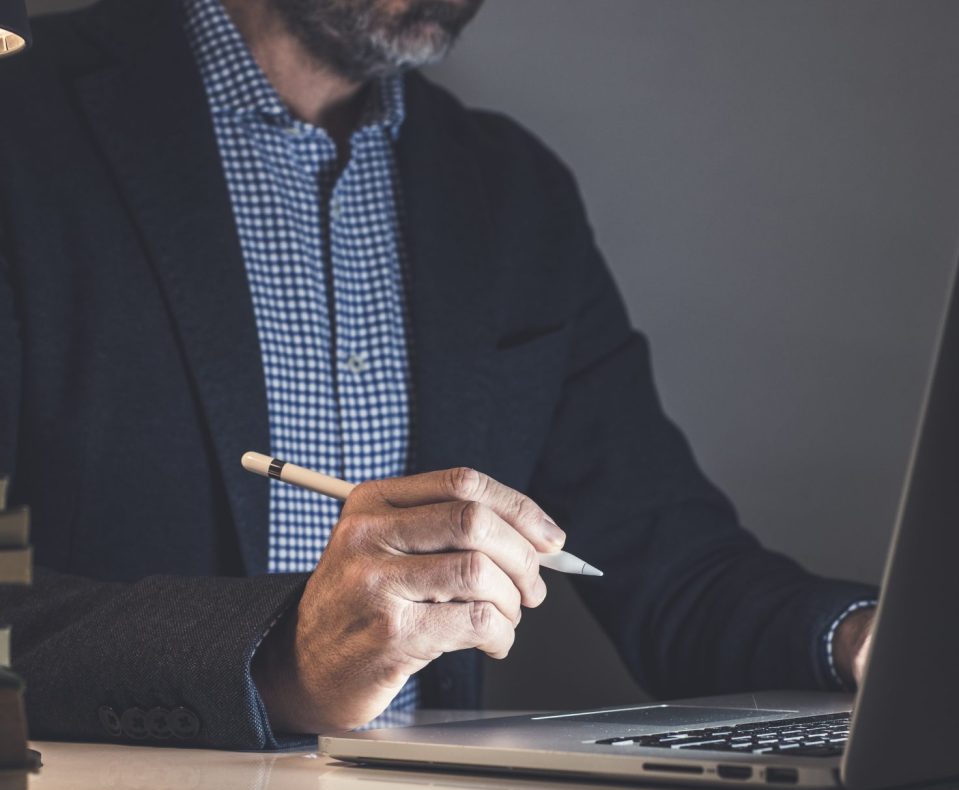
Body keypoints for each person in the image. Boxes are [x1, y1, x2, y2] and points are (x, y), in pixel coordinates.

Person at [0, 0, 877, 749]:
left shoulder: (512, 193)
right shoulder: (21, 116)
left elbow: (670, 566)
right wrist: (280, 658)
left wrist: (868, 642)